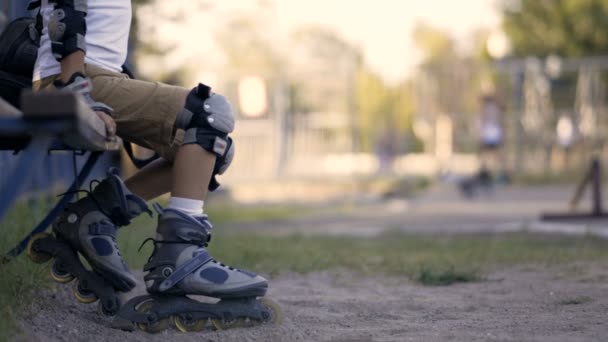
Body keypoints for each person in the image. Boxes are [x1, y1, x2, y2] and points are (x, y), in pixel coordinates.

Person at [29, 0, 277, 330]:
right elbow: (66, 11)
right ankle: (179, 258)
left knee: (210, 150)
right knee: (208, 112)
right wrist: (75, 85)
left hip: (94, 76)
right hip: (78, 78)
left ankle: (96, 214)